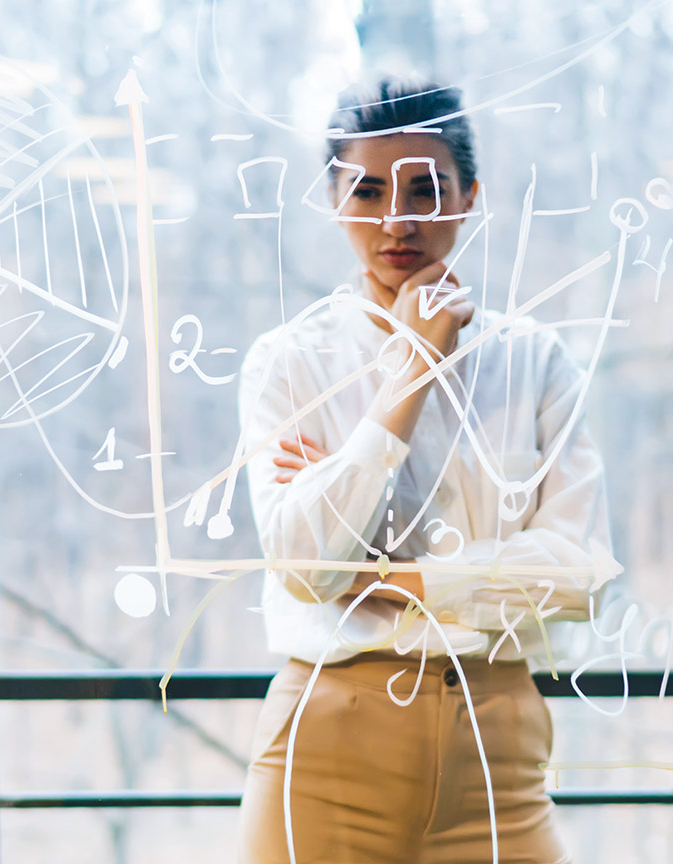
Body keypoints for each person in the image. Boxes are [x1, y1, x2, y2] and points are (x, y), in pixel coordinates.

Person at [234, 77, 619, 864]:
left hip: (498, 751)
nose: (396, 220)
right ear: (334, 200)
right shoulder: (291, 362)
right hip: (329, 748)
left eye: (426, 189)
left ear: (470, 196)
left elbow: (578, 575)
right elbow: (305, 565)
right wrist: (409, 377)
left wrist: (387, 580)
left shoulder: (535, 360)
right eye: (368, 191)